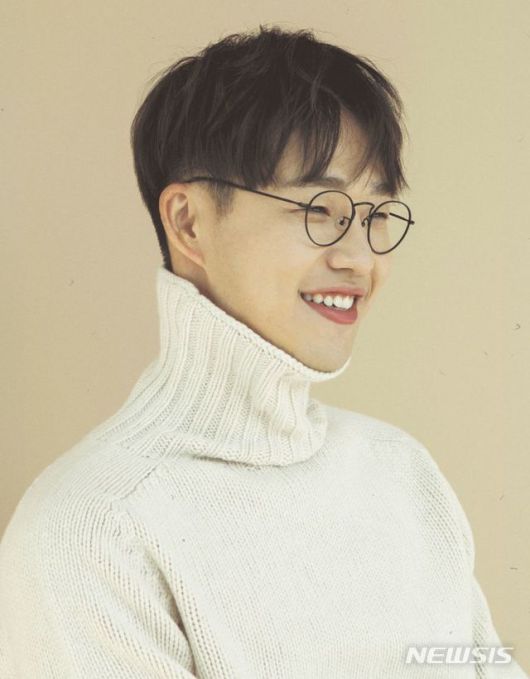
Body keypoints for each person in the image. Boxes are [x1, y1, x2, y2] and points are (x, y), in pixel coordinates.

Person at [0, 24, 526, 679]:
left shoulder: (403, 473)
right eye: (320, 210)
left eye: (376, 216)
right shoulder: (93, 528)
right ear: (188, 221)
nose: (359, 259)